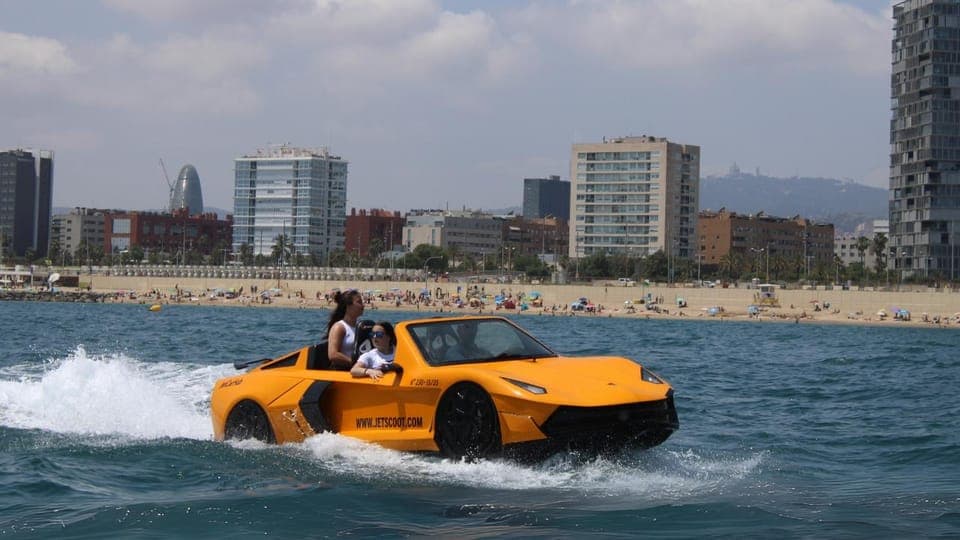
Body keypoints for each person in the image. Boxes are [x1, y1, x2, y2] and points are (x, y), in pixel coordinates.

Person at [326, 289, 365, 369]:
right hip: (344, 371)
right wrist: (356, 364)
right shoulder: (339, 327)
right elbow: (333, 355)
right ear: (348, 305)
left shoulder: (361, 325)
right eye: (359, 302)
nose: (363, 305)